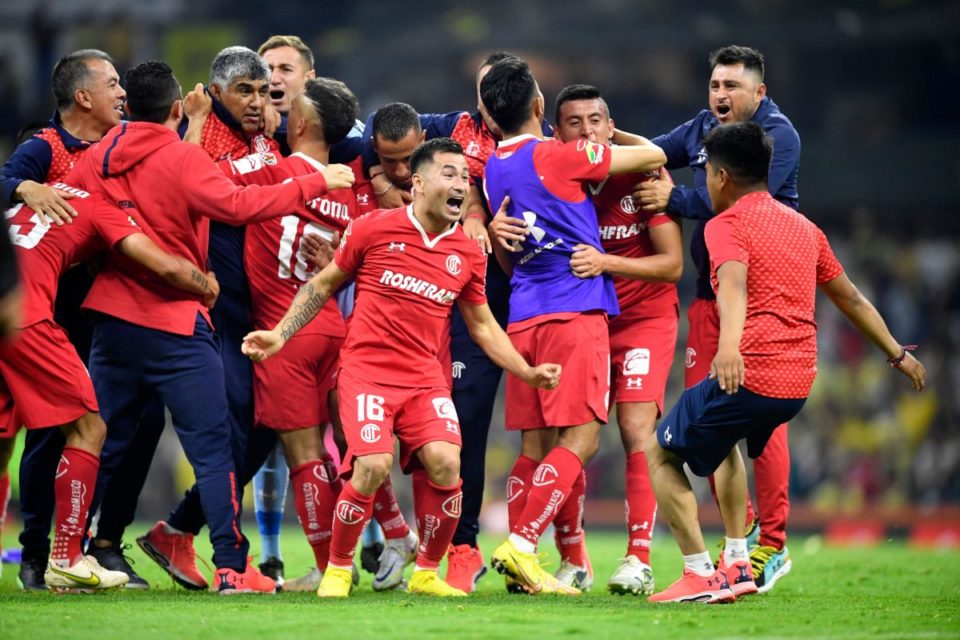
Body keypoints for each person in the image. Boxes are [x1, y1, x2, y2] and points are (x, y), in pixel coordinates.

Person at [65, 60, 354, 594]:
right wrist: (305, 178)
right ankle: (210, 557)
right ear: (204, 95)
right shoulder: (198, 144)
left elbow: (79, 204)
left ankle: (83, 548)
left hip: (163, 312)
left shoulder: (253, 141)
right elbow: (231, 199)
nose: (259, 102)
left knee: (129, 432)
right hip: (197, 310)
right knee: (214, 435)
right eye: (245, 90)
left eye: (266, 93)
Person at [242, 137, 562, 598]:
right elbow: (324, 282)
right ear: (418, 183)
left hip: (423, 378)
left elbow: (483, 325)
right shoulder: (372, 228)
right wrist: (280, 333)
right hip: (366, 371)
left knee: (447, 463)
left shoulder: (469, 252)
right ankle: (336, 569)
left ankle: (427, 573)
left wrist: (527, 372)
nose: (459, 185)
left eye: (464, 178)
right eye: (448, 174)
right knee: (371, 466)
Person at [646, 121, 925, 604]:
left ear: (723, 178)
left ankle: (699, 573)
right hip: (797, 385)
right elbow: (851, 298)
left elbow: (730, 286)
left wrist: (728, 347)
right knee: (724, 437)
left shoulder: (724, 226)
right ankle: (738, 561)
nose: (707, 183)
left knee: (660, 453)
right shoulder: (804, 227)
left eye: (708, 174)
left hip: (751, 373)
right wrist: (896, 353)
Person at [479, 57, 665, 595]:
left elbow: (509, 249)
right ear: (541, 109)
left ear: (490, 117)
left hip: (523, 313)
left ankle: (534, 563)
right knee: (582, 439)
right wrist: (608, 133)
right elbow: (653, 154)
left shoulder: (493, 167)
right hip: (574, 309)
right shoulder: (559, 155)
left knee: (534, 448)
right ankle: (522, 546)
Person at [634, 45, 800, 591]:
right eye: (715, 85)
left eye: (732, 86)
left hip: (761, 297)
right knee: (710, 416)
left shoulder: (780, 138)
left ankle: (770, 545)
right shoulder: (706, 126)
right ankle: (738, 535)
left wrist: (674, 199)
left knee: (758, 419)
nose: (721, 96)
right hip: (709, 296)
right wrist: (594, 150)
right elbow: (654, 150)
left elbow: (746, 203)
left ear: (760, 92)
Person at [0, 48, 165, 591]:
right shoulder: (43, 149)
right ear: (83, 96)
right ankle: (39, 554)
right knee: (54, 433)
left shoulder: (123, 146)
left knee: (136, 424)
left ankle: (103, 545)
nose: (122, 93)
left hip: (111, 311)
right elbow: (5, 185)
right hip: (48, 312)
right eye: (112, 82)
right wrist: (25, 186)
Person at [1, 185, 217, 591]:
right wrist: (204, 284)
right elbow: (165, 266)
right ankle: (66, 558)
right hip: (22, 312)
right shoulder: (106, 203)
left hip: (10, 300)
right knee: (90, 427)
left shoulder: (42, 193)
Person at [552, 84, 682, 594]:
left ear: (611, 127)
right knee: (573, 436)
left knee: (634, 426)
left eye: (596, 121)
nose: (586, 131)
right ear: (555, 132)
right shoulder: (550, 178)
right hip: (582, 318)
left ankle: (638, 558)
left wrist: (606, 262)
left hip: (644, 316)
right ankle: (572, 558)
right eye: (574, 123)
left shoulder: (644, 174)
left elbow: (671, 265)